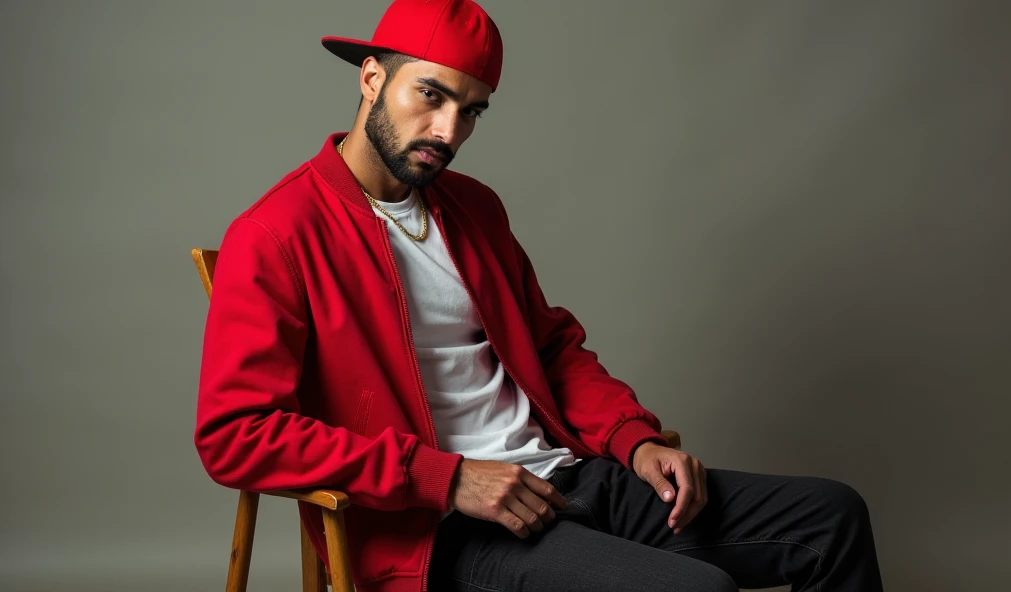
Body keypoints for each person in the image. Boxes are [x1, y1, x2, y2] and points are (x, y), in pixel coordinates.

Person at [194, 1, 884, 590]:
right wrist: (448, 478)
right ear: (372, 79)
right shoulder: (278, 233)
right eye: (430, 95)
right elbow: (235, 435)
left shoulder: (473, 209)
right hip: (440, 529)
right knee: (696, 589)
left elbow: (550, 347)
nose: (448, 133)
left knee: (834, 516)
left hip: (566, 476)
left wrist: (633, 440)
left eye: (470, 111)